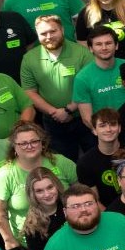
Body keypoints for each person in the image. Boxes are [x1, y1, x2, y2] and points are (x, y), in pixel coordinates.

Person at [0, 122, 77, 250]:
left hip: (72, 235)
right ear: (14, 146)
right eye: (23, 143)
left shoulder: (60, 162)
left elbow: (80, 190)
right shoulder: (5, 174)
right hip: (29, 244)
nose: (29, 146)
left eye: (34, 141)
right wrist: (10, 241)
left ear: (42, 143)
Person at [20, 15, 92, 160]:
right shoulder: (29, 59)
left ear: (62, 30)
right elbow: (30, 92)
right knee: (62, 163)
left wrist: (69, 109)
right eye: (43, 34)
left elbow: (89, 86)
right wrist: (54, 112)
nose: (48, 37)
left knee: (95, 158)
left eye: (53, 31)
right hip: (52, 122)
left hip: (84, 116)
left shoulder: (82, 53)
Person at [74, 26, 125, 128]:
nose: (104, 48)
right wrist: (108, 132)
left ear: (116, 45)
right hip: (106, 132)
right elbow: (87, 119)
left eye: (108, 43)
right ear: (90, 48)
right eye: (98, 44)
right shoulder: (82, 78)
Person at [76, 108, 125, 203]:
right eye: (102, 126)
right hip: (108, 213)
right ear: (94, 130)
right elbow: (94, 202)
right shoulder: (85, 163)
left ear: (119, 128)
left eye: (113, 124)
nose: (108, 129)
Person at [16, 168, 67, 250]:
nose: (47, 194)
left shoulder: (71, 205)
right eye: (39, 191)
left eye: (50, 187)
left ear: (57, 185)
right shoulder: (32, 227)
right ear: (32, 194)